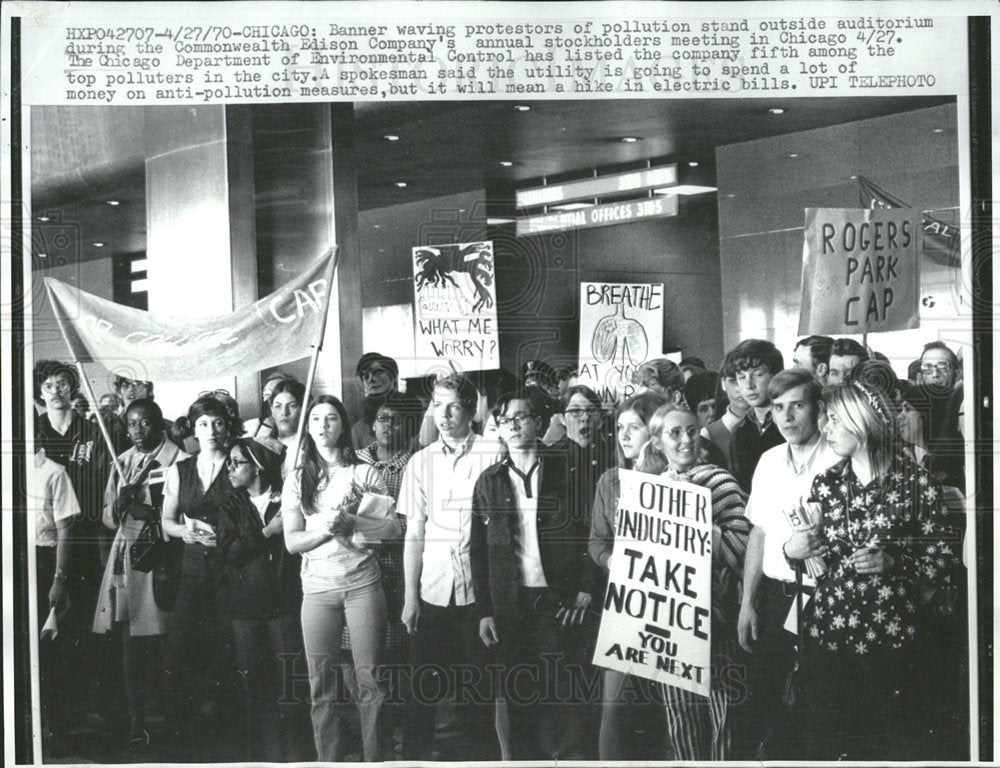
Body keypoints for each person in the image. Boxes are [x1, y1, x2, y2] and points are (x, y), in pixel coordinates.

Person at [789, 381, 960, 760]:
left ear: (861, 420)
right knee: (827, 743)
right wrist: (795, 549)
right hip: (829, 635)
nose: (824, 429)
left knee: (892, 742)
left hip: (892, 639)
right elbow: (812, 556)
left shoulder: (916, 483)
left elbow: (945, 559)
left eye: (834, 419)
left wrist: (896, 563)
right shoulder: (827, 483)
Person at [471, 388, 599, 760]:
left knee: (568, 697)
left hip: (559, 602)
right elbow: (477, 551)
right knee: (521, 701)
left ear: (540, 423)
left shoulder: (567, 470)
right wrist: (485, 610)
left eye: (521, 417)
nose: (512, 425)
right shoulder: (489, 481)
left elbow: (595, 532)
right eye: (505, 419)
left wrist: (587, 587)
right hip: (512, 606)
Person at [282, 395, 400, 762]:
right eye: (315, 418)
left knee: (371, 681)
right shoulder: (297, 479)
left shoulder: (364, 472)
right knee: (321, 686)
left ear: (342, 426)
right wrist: (326, 532)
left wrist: (355, 523)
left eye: (331, 418)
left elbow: (392, 529)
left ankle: (374, 759)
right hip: (317, 591)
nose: (322, 425)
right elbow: (291, 541)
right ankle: (329, 760)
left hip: (363, 585)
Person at [638, 401, 751, 761]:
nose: (686, 440)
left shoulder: (719, 480)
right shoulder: (650, 491)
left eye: (691, 431)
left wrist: (698, 521)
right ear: (657, 442)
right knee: (681, 717)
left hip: (717, 618)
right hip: (672, 623)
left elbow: (743, 545)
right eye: (675, 433)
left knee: (723, 715)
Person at [736, 370, 839, 759]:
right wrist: (747, 601)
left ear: (817, 409)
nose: (787, 417)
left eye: (798, 405)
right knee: (763, 698)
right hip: (777, 599)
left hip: (825, 599)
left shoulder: (836, 457)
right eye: (778, 407)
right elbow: (758, 533)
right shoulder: (768, 460)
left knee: (815, 706)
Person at [399, 373, 500, 761]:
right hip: (432, 592)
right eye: (437, 405)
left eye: (454, 405)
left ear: (472, 410)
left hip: (478, 596)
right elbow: (414, 533)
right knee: (420, 695)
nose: (444, 414)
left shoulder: (492, 453)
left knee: (477, 696)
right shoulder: (420, 463)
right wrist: (411, 596)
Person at [92, 399, 189, 749]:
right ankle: (138, 723)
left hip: (161, 557)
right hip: (128, 559)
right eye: (131, 424)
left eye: (145, 423)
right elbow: (106, 513)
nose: (137, 431)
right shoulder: (123, 462)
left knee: (165, 642)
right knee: (130, 642)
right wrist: (118, 507)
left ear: (158, 422)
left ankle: (171, 723)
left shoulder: (177, 459)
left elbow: (185, 510)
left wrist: (147, 509)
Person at [216, 435, 311, 762]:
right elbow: (229, 553)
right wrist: (267, 532)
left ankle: (299, 755)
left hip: (283, 605)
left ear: (257, 467)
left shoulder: (286, 499)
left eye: (237, 462)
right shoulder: (231, 504)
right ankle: (264, 757)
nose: (230, 468)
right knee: (255, 688)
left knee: (292, 686)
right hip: (246, 609)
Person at [33, 360, 112, 736]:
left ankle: (82, 711)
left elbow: (102, 482)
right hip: (48, 537)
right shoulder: (33, 431)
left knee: (80, 622)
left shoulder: (91, 431)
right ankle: (51, 716)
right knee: (46, 627)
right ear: (40, 392)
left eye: (63, 384)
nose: (56, 390)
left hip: (85, 537)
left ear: (74, 389)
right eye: (48, 385)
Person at [588, 390, 668, 761]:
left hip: (671, 607)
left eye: (633, 427)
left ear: (654, 430)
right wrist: (611, 561)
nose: (624, 435)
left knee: (669, 708)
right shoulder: (610, 481)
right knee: (614, 707)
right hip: (624, 605)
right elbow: (596, 541)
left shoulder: (675, 476)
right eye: (620, 427)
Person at [160, 394, 239, 748]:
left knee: (227, 644)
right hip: (193, 567)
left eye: (218, 423)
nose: (211, 430)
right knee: (181, 646)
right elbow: (167, 521)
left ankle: (227, 730)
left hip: (231, 567)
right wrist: (184, 532)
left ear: (227, 427)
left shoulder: (241, 464)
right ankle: (182, 731)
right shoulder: (180, 470)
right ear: (193, 429)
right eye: (203, 424)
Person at [355, 392, 423, 755]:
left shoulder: (415, 462)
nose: (388, 425)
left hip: (398, 571)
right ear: (372, 422)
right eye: (382, 418)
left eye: (397, 419)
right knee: (365, 659)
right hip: (358, 568)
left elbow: (412, 524)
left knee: (398, 656)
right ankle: (372, 739)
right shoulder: (355, 461)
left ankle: (398, 738)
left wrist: (376, 526)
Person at [30, 443, 80, 757]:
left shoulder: (54, 472)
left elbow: (66, 529)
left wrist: (59, 579)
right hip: (12, 563)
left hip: (45, 562)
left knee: (50, 652)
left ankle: (57, 732)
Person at [552, 384, 615, 535]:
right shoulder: (551, 459)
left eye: (591, 411)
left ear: (599, 419)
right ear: (562, 419)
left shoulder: (612, 456)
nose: (585, 417)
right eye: (575, 412)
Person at [728, 339, 785, 491]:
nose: (749, 385)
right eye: (741, 377)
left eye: (758, 375)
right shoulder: (739, 430)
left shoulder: (789, 423)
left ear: (777, 375)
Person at [705, 353, 751, 461]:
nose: (740, 388)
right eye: (733, 381)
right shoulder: (709, 434)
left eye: (743, 378)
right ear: (723, 384)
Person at [352, 352, 400, 449]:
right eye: (365, 375)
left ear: (393, 376)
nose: (370, 380)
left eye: (377, 373)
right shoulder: (359, 430)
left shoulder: (412, 414)